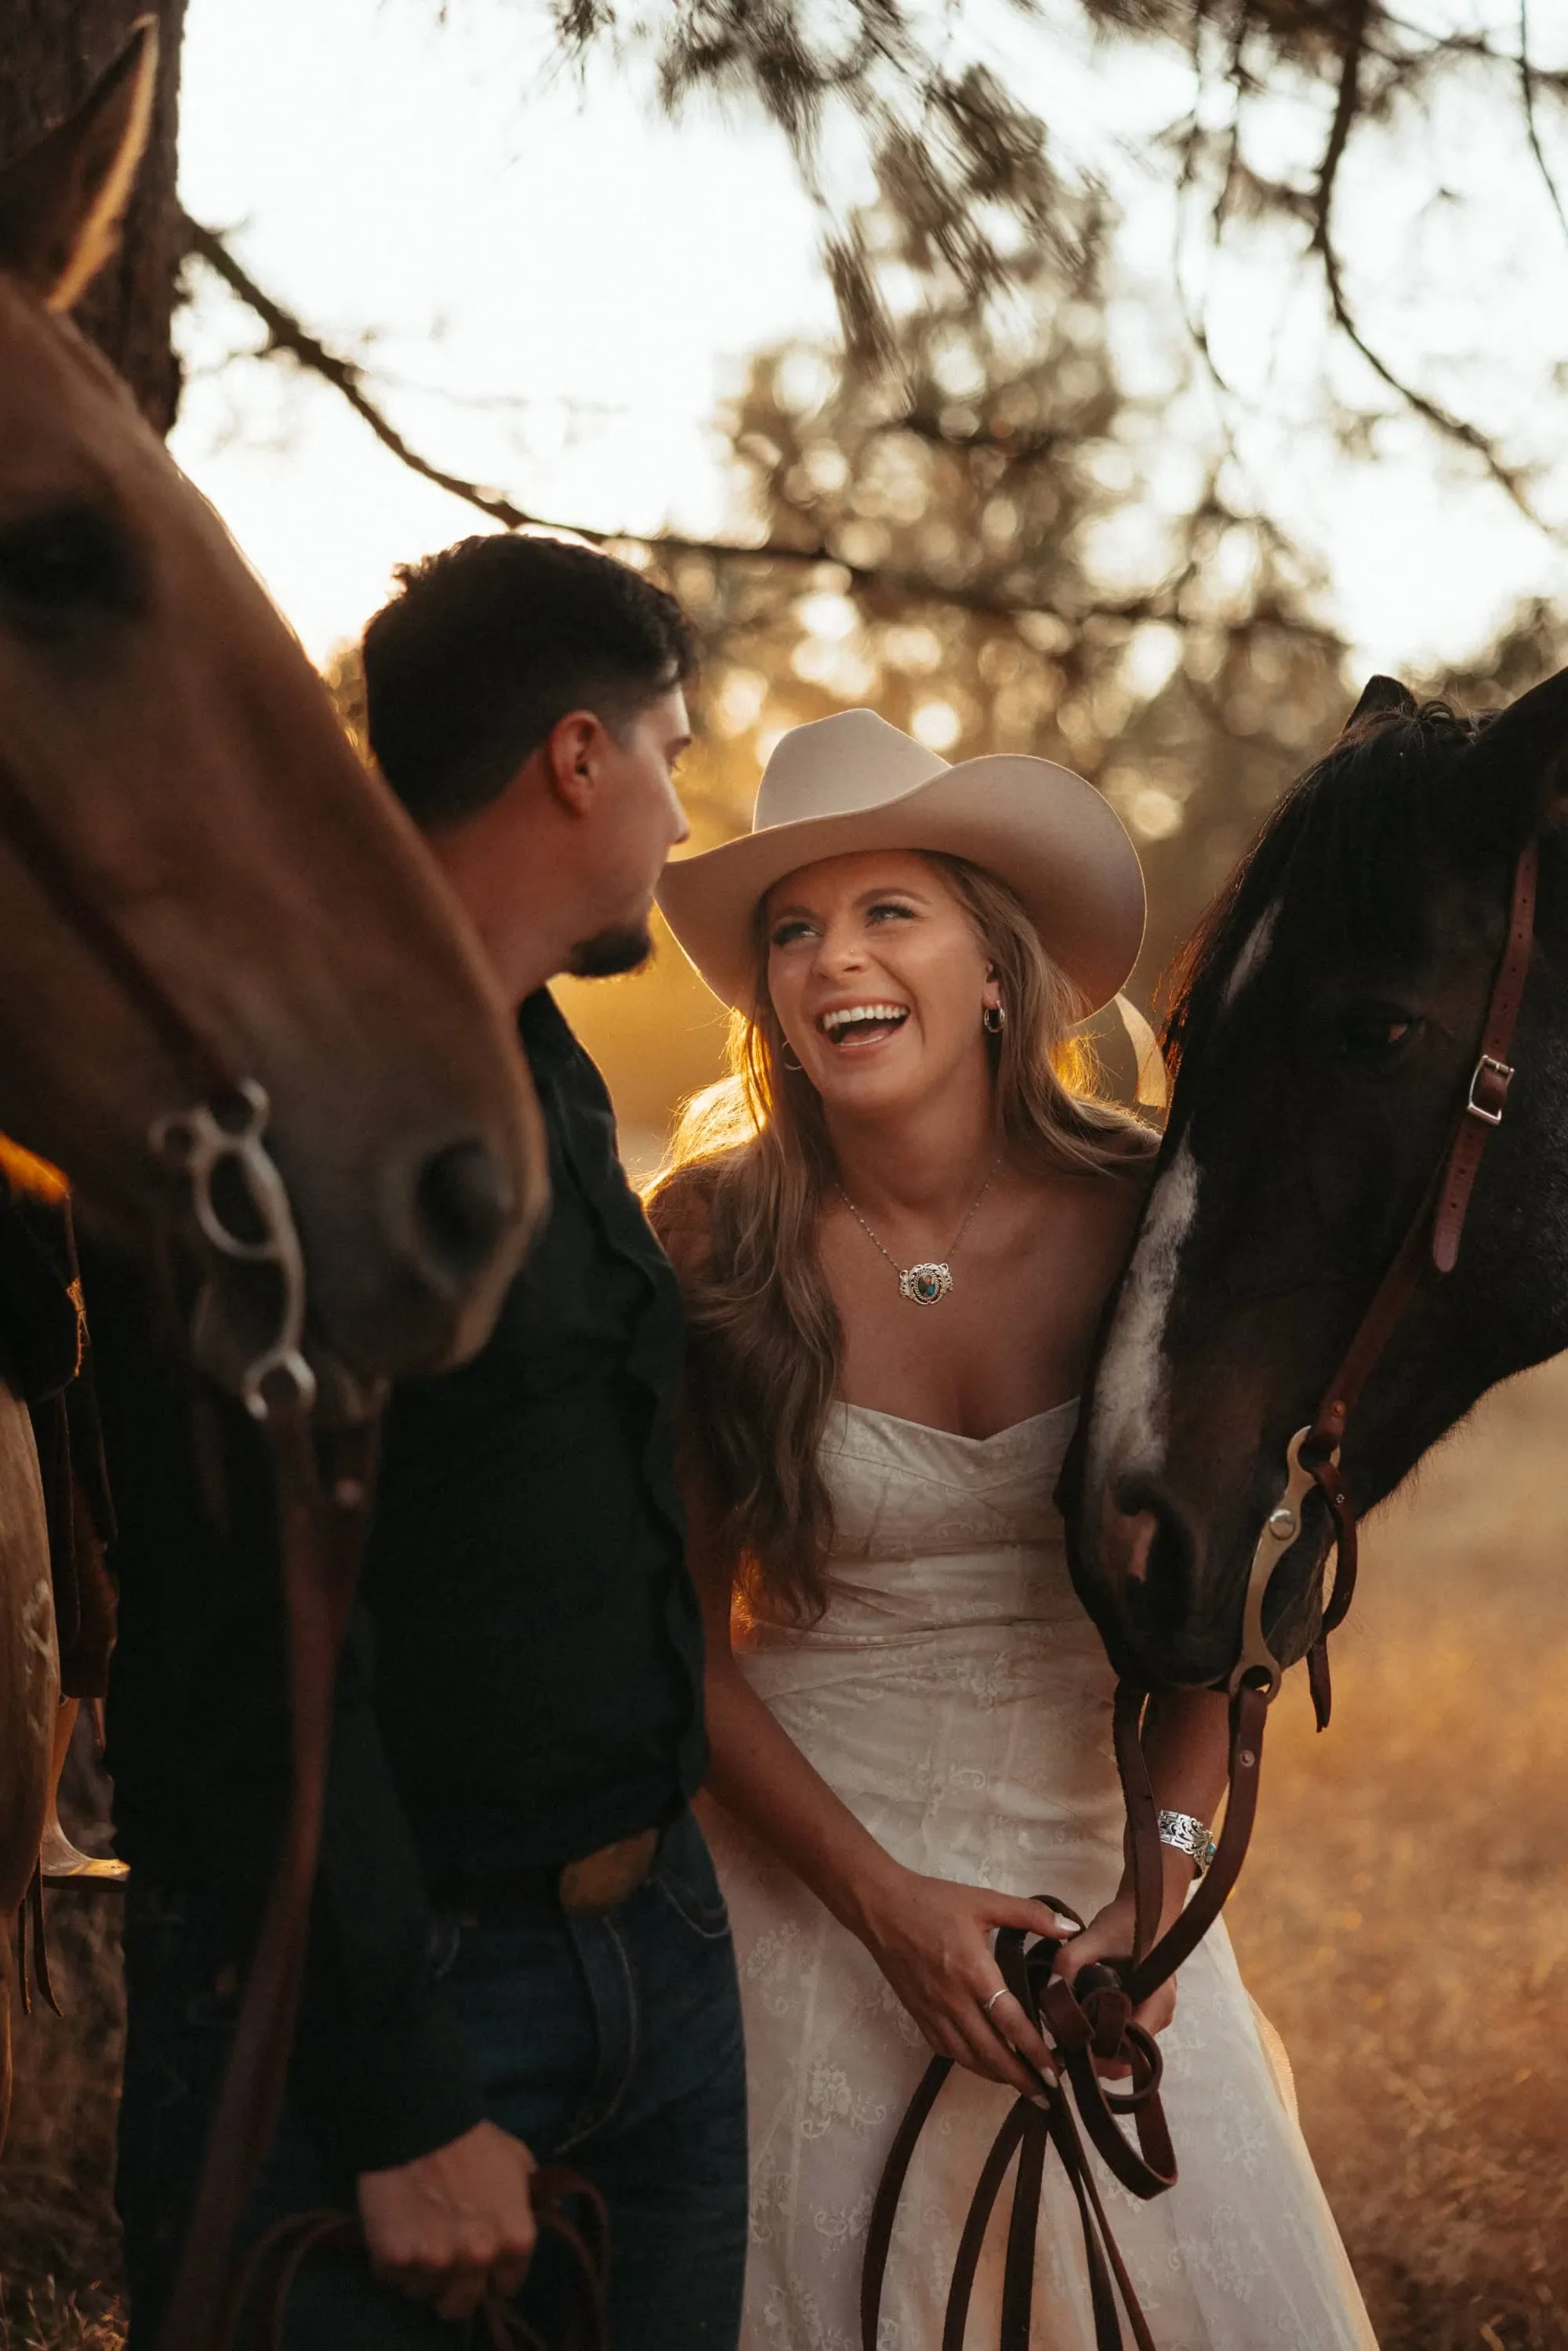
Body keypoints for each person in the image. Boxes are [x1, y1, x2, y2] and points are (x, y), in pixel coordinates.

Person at [648, 709, 1377, 2349]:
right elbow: (675, 1640)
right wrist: (878, 1901)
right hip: (802, 1896)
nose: (834, 954)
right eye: (791, 927)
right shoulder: (709, 1238)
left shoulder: (1153, 1222)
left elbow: (1218, 1616)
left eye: (885, 907)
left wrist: (1159, 1892)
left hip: (1102, 1904)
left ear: (994, 963)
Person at [100, 534, 748, 2349]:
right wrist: (398, 2099)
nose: (676, 817)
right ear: (575, 757)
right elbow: (238, 1637)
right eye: (672, 758)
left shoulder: (543, 1059)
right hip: (389, 2016)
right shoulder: (266, 1088)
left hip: (655, 1966)